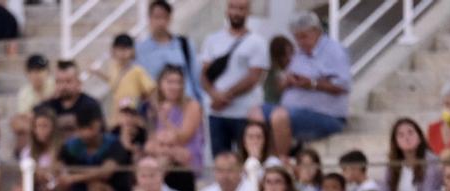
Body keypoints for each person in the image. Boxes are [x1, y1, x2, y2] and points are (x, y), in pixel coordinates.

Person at [253, 12, 349, 158]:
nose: (300, 42)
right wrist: (287, 82)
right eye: (297, 38)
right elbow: (282, 86)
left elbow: (343, 86)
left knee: (279, 116)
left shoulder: (334, 51)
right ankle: (265, 160)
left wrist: (312, 83)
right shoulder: (299, 53)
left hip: (326, 116)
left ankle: (282, 163)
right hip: (293, 110)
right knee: (255, 113)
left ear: (317, 32)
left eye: (304, 37)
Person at [200, 0, 269, 156]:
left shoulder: (257, 42)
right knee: (220, 160)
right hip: (217, 113)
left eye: (241, 9)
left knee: (246, 159)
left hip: (244, 112)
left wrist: (225, 97)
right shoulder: (212, 39)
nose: (236, 12)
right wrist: (214, 95)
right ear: (227, 10)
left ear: (248, 12)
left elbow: (254, 77)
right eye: (233, 7)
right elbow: (204, 74)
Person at [135, 0, 200, 100]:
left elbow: (195, 77)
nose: (160, 22)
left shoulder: (184, 44)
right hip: (156, 108)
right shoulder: (140, 50)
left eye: (164, 17)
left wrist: (200, 103)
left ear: (170, 18)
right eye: (156, 17)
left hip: (185, 104)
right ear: (149, 19)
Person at [383, 118, 442, 191]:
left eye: (410, 133)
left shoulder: (432, 162)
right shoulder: (392, 164)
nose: (407, 138)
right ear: (396, 142)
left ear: (419, 137)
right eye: (401, 135)